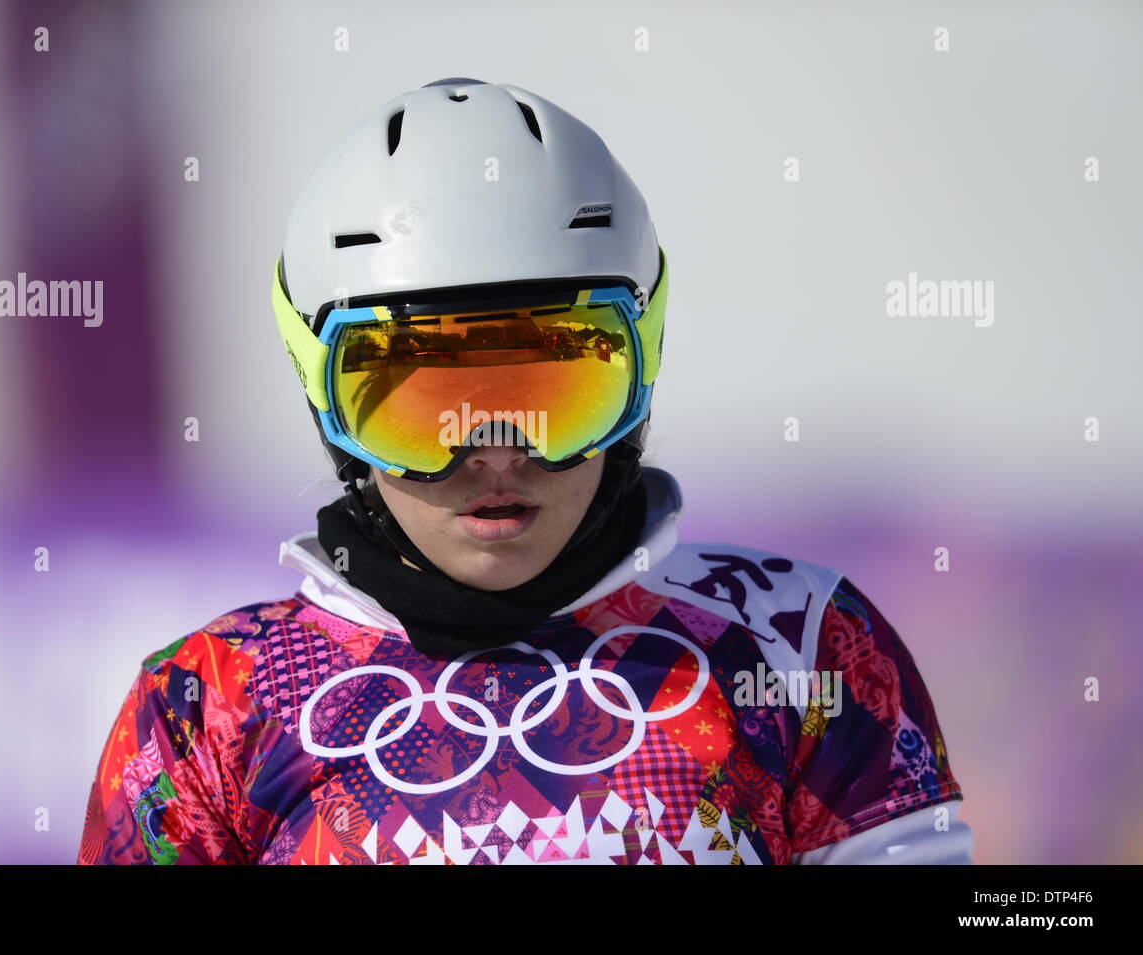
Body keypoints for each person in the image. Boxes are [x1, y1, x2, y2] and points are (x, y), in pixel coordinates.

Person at [78, 78, 973, 865]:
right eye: (424, 402)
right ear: (325, 399)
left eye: (555, 387)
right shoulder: (208, 703)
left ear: (643, 364)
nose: (496, 452)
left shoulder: (802, 651)